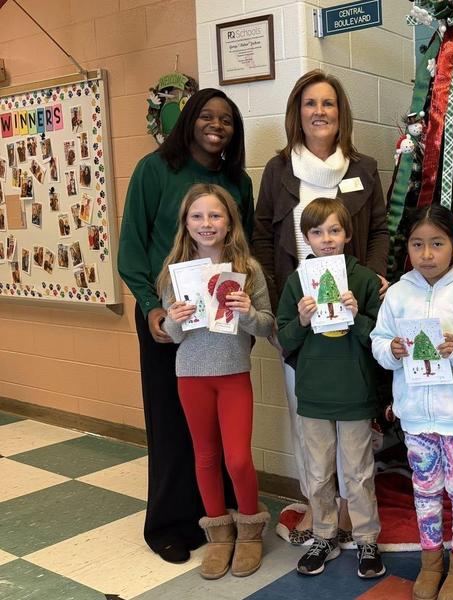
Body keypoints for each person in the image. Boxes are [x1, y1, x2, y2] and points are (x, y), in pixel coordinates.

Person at [117, 88, 254, 564]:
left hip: (221, 325)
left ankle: (218, 514)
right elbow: (132, 247)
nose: (217, 126)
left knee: (222, 430)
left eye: (227, 120)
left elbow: (245, 250)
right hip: (167, 318)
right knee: (173, 424)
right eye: (207, 116)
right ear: (189, 120)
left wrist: (247, 316)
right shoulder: (154, 170)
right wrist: (152, 307)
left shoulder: (237, 182)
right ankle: (170, 523)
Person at [252, 69, 389, 541]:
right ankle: (320, 508)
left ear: (340, 112)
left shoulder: (363, 168)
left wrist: (369, 282)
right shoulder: (278, 170)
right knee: (304, 412)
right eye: (310, 103)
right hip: (302, 313)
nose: (319, 112)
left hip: (351, 315)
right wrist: (277, 304)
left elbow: (378, 233)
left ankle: (354, 506)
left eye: (328, 103)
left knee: (353, 416)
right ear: (298, 113)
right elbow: (263, 238)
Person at [371, 206, 453, 600]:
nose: (427, 254)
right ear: (407, 248)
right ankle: (431, 562)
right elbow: (379, 341)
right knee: (425, 490)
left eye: (436, 244)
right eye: (417, 245)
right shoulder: (397, 294)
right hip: (416, 417)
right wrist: (392, 350)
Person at [157, 184, 272, 579]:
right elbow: (173, 335)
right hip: (191, 377)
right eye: (197, 217)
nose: (206, 224)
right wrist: (174, 316)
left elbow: (268, 325)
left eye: (215, 216)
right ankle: (219, 535)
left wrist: (247, 314)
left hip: (233, 375)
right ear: (186, 224)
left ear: (229, 223)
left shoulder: (248, 270)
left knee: (238, 458)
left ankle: (250, 533)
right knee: (204, 457)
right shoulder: (176, 272)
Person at [276, 197, 384, 579]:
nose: (326, 239)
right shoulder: (296, 283)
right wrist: (302, 321)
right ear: (306, 238)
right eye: (317, 232)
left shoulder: (365, 280)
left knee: (358, 472)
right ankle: (324, 534)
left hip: (354, 392)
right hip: (314, 394)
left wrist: (357, 317)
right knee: (319, 473)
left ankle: (366, 537)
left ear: (347, 234)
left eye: (334, 230)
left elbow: (381, 342)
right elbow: (283, 338)